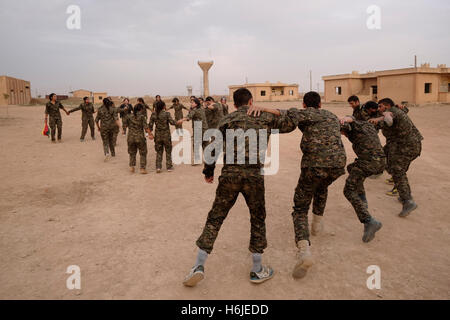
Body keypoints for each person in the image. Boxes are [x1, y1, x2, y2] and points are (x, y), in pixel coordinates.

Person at [182, 88, 296, 287]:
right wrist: (267, 108)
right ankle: (257, 269)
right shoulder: (264, 117)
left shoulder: (228, 119)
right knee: (258, 218)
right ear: (251, 101)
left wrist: (208, 172)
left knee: (215, 218)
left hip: (230, 175)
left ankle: (198, 265)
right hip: (253, 176)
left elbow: (213, 147)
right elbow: (292, 120)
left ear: (234, 104)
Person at [248, 91, 346, 280]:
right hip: (338, 164)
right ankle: (317, 224)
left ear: (304, 104)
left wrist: (262, 107)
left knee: (300, 208)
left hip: (315, 164)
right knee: (322, 187)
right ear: (320, 103)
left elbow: (282, 112)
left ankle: (304, 252)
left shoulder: (305, 113)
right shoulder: (331, 115)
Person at [369, 98, 423, 217]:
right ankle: (381, 172)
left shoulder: (391, 113)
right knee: (382, 155)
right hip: (401, 144)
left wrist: (380, 118)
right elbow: (402, 112)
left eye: (381, 106)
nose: (379, 109)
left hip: (406, 146)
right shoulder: (395, 111)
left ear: (387, 106)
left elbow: (389, 120)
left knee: (398, 171)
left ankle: (407, 200)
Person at [340, 116, 385, 242]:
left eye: (342, 132)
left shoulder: (353, 128)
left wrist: (344, 120)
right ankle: (363, 202)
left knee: (348, 190)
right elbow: (353, 119)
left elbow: (350, 120)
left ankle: (369, 221)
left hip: (369, 162)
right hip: (380, 161)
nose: (343, 135)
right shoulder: (366, 125)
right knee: (351, 168)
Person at [177, 98, 209, 165]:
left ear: (196, 104)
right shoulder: (202, 109)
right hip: (205, 128)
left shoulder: (195, 110)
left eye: (192, 103)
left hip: (198, 128)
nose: (191, 104)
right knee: (205, 144)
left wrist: (181, 120)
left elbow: (188, 117)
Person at [123, 104, 153, 174]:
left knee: (132, 152)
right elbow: (146, 127)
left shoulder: (128, 116)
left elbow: (125, 125)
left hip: (131, 137)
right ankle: (142, 168)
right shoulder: (142, 117)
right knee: (143, 153)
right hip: (140, 138)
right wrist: (150, 134)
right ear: (141, 109)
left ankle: (132, 167)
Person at [148, 100, 176, 173]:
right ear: (164, 106)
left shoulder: (153, 114)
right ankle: (169, 167)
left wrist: (150, 134)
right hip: (166, 135)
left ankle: (158, 167)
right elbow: (172, 123)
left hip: (158, 135)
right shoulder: (167, 114)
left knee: (159, 151)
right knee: (168, 151)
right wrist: (179, 121)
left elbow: (150, 126)